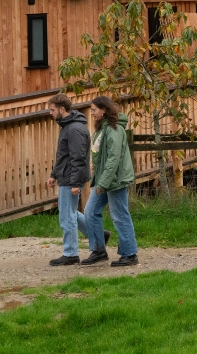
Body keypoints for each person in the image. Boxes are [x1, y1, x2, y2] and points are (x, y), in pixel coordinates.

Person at [81, 96, 139, 267]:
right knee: (90, 212)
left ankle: (130, 254)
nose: (92, 114)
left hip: (114, 180)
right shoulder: (102, 129)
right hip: (104, 179)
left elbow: (113, 159)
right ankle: (99, 250)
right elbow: (101, 154)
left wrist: (103, 183)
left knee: (120, 216)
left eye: (94, 110)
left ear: (104, 110)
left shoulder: (114, 129)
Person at [46, 93, 91, 266]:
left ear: (61, 109)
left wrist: (75, 183)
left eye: (52, 110)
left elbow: (77, 158)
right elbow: (63, 156)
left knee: (67, 216)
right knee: (71, 212)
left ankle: (71, 253)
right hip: (65, 176)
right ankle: (99, 235)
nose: (50, 113)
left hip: (71, 178)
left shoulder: (74, 129)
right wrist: (53, 174)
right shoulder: (67, 127)